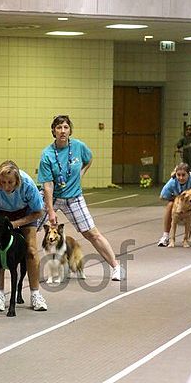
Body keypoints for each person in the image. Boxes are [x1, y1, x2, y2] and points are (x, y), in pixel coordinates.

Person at [37, 115, 124, 281]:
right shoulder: (47, 154)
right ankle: (18, 269)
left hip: (74, 197)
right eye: (59, 128)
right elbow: (48, 185)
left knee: (92, 233)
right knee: (29, 230)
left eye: (66, 127)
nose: (63, 131)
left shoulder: (79, 146)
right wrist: (50, 211)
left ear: (70, 130)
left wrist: (80, 174)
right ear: (53, 131)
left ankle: (116, 267)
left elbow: (89, 159)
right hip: (52, 196)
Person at [0, 160, 47, 311]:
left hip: (26, 214)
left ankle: (35, 294)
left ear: (17, 180)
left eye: (10, 182)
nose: (6, 186)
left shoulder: (27, 184)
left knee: (31, 250)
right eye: (3, 182)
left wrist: (17, 223)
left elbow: (39, 212)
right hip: (3, 215)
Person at [157, 162, 191, 246]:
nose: (181, 178)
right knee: (170, 205)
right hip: (179, 202)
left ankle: (186, 238)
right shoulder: (172, 182)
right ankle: (165, 236)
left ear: (188, 174)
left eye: (183, 175)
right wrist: (177, 199)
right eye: (178, 175)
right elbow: (162, 197)